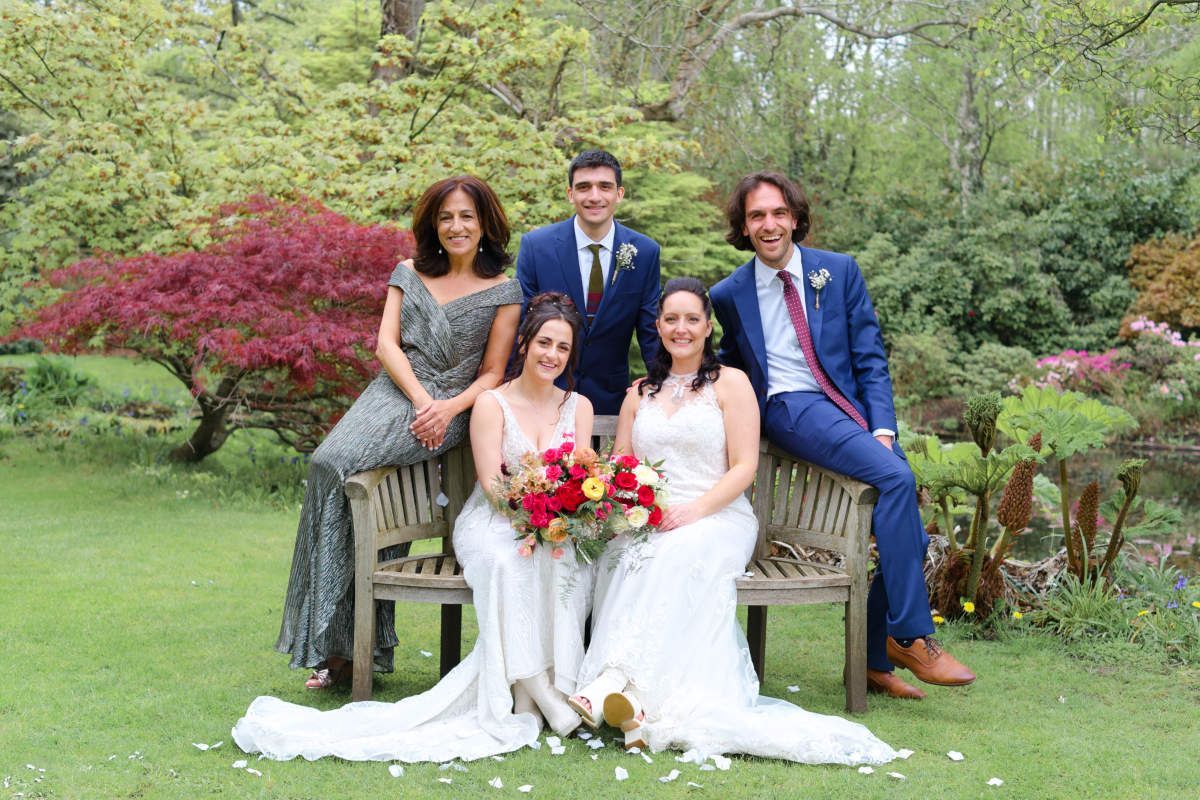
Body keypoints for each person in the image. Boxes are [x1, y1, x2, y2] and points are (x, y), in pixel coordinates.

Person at [234, 294, 595, 761]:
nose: (552, 355)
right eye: (544, 342)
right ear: (523, 343)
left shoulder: (578, 407)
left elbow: (579, 477)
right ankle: (541, 694)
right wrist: (535, 517)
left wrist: (558, 518)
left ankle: (536, 690)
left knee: (570, 561)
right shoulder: (491, 403)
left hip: (552, 523)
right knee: (509, 561)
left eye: (562, 348)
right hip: (493, 520)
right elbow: (490, 484)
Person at [567, 278, 896, 765]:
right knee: (626, 552)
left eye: (692, 319)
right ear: (657, 326)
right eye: (671, 319)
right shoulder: (639, 393)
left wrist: (691, 512)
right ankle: (627, 698)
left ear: (707, 326)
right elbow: (622, 465)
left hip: (717, 515)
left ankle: (620, 684)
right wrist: (633, 507)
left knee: (676, 553)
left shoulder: (732, 384)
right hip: (651, 516)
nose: (681, 329)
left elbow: (744, 467)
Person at [709, 172, 975, 700]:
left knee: (909, 528)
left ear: (795, 218)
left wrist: (882, 428)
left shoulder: (839, 271)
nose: (769, 224)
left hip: (850, 408)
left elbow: (870, 358)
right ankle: (913, 636)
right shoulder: (730, 294)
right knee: (899, 480)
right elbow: (731, 365)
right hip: (790, 407)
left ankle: (877, 661)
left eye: (779, 213)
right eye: (757, 215)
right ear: (744, 225)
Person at [275, 175, 523, 690]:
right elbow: (386, 344)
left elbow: (494, 374)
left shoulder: (504, 290)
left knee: (363, 485)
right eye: (446, 217)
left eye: (466, 217)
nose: (456, 226)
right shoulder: (407, 272)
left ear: (485, 224)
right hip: (397, 393)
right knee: (329, 464)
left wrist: (447, 408)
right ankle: (332, 642)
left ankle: (343, 652)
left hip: (451, 410)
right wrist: (420, 399)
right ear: (433, 224)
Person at [515, 149, 662, 415]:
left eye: (605, 186)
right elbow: (521, 327)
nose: (595, 196)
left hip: (612, 401)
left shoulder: (645, 253)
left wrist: (662, 385)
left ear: (619, 193)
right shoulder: (536, 248)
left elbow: (650, 332)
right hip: (542, 398)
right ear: (570, 194)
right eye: (584, 187)